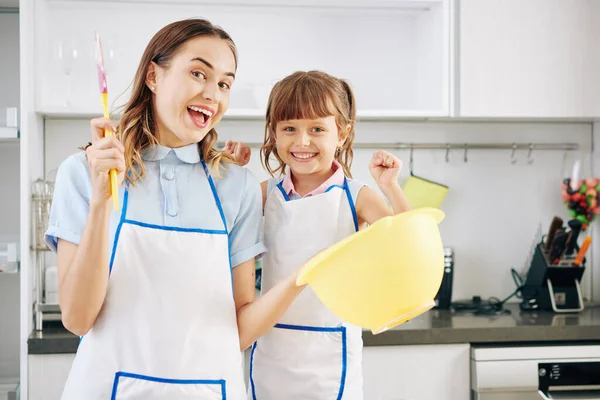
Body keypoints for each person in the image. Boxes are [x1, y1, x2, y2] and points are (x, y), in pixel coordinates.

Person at [45, 18, 306, 400]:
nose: (212, 94)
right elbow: (77, 318)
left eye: (224, 84)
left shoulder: (238, 187)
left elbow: (237, 328)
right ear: (153, 75)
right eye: (198, 73)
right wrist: (102, 201)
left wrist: (299, 280)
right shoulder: (84, 174)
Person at [243, 71, 412, 400]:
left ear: (342, 133)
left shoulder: (357, 197)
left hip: (331, 359)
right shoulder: (263, 194)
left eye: (317, 129)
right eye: (289, 128)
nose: (302, 142)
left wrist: (390, 186)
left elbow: (408, 250)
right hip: (270, 351)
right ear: (273, 133)